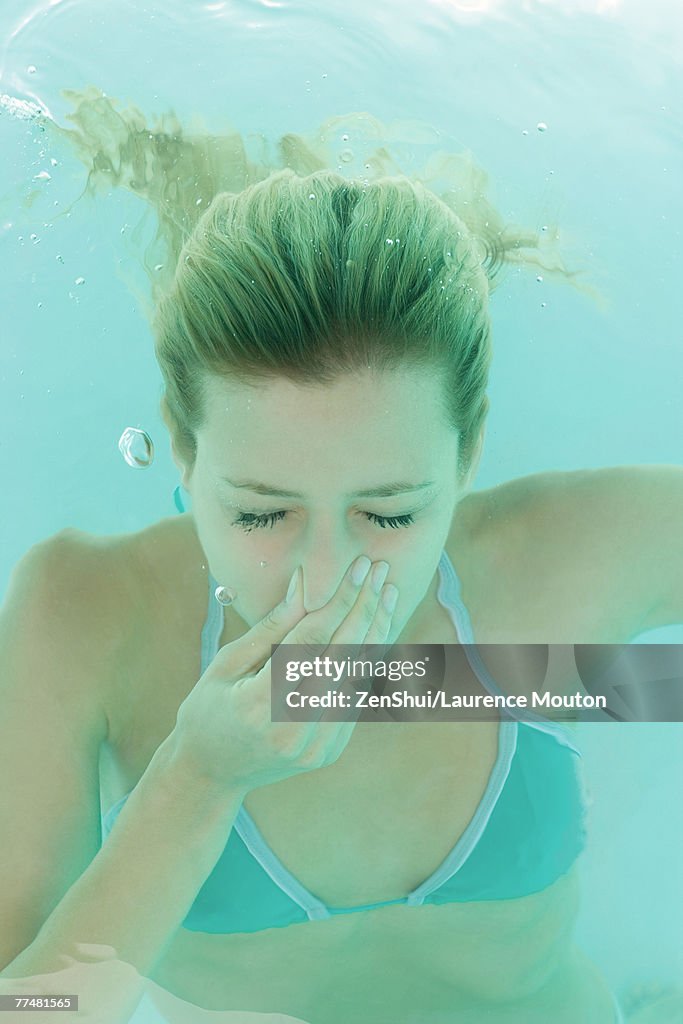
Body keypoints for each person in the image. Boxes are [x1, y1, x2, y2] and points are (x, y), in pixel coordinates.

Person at [1, 87, 681, 1024]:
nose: (325, 582)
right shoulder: (84, 611)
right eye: (261, 515)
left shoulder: (566, 556)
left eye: (390, 517)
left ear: (468, 454)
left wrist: (602, 682)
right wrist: (196, 781)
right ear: (185, 453)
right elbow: (33, 1012)